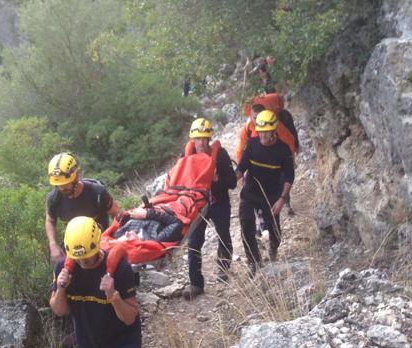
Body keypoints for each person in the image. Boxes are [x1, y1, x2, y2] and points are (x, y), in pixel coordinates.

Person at [50, 216, 141, 348]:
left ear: (97, 245)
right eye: (78, 258)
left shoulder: (120, 268)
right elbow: (59, 311)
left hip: (123, 341)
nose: (82, 262)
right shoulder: (63, 269)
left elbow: (130, 318)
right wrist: (61, 289)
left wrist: (113, 296)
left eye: (86, 256)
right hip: (88, 341)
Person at [183, 118, 237, 300]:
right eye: (198, 139)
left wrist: (217, 180)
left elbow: (232, 182)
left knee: (223, 235)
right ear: (192, 140)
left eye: (205, 138)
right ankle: (196, 283)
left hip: (219, 201)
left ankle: (224, 267)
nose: (202, 143)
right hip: (198, 206)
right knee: (194, 242)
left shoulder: (220, 155)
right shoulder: (187, 158)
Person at [236, 111, 294, 278]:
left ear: (274, 130)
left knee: (274, 230)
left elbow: (289, 177)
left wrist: (282, 199)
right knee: (246, 225)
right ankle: (254, 261)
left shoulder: (283, 151)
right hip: (249, 193)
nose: (263, 135)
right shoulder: (252, 144)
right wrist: (233, 178)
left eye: (266, 131)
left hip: (271, 195)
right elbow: (242, 167)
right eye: (260, 131)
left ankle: (273, 246)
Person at [45, 152, 122, 262]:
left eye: (66, 183)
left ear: (76, 175)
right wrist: (53, 245)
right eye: (59, 185)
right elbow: (50, 220)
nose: (62, 188)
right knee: (60, 276)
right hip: (73, 250)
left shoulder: (97, 193)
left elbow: (118, 215)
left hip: (100, 247)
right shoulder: (54, 199)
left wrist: (117, 241)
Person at [112, 207, 183, 243]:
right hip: (174, 206)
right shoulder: (156, 238)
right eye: (128, 238)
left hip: (156, 204)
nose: (127, 233)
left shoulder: (120, 233)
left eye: (124, 235)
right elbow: (176, 223)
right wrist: (147, 214)